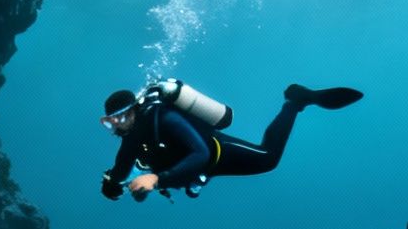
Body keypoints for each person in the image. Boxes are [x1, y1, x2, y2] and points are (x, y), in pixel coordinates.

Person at [99, 82, 362, 201]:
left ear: (134, 109)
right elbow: (122, 164)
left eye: (120, 118)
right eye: (111, 121)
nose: (116, 125)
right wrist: (112, 185)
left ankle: (294, 103)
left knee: (268, 158)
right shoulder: (132, 136)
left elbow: (200, 154)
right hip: (196, 171)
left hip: (216, 153)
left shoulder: (162, 117)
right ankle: (295, 103)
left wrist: (156, 179)